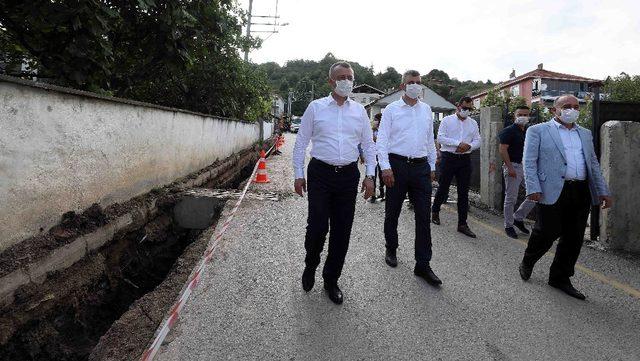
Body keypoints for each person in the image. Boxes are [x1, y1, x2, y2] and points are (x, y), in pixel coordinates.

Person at [292, 61, 376, 305]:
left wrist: (370, 176)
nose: (346, 81)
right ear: (331, 81)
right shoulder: (316, 108)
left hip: (348, 176)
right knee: (317, 226)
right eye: (341, 77)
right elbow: (300, 143)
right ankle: (311, 264)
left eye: (350, 77)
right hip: (320, 173)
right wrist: (299, 174)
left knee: (342, 230)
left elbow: (368, 146)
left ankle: (331, 280)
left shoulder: (359, 111)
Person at [519, 95, 612, 300]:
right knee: (546, 232)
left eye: (575, 107)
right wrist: (532, 187)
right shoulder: (538, 131)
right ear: (555, 110)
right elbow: (529, 161)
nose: (572, 110)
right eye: (566, 106)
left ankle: (560, 277)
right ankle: (528, 259)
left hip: (580, 191)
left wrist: (602, 190)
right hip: (551, 189)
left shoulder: (585, 134)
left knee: (574, 237)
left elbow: (593, 163)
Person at [377, 70, 441, 286]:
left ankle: (423, 263)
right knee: (392, 211)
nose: (415, 86)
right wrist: (385, 168)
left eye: (418, 83)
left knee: (424, 216)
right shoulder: (391, 110)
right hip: (397, 166)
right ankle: (391, 248)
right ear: (402, 85)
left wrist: (431, 165)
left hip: (421, 167)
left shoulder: (426, 110)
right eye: (411, 82)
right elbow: (382, 140)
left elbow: (429, 140)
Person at [431, 96, 481, 238]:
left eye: (470, 109)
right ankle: (435, 211)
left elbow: (478, 140)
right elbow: (440, 138)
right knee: (443, 187)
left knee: (463, 192)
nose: (467, 111)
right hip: (449, 158)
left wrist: (469, 146)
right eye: (465, 108)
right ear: (458, 106)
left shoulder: (472, 123)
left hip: (465, 159)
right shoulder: (447, 121)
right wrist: (458, 144)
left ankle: (462, 224)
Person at [499, 105, 536, 239]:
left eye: (526, 115)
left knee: (535, 195)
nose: (523, 117)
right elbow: (503, 150)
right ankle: (508, 225)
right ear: (514, 115)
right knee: (511, 198)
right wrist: (510, 168)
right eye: (520, 114)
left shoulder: (527, 131)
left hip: (526, 167)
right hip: (513, 166)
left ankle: (518, 218)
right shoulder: (508, 131)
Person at [370, 113, 385, 203]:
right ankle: (373, 195)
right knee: (372, 175)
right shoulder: (372, 130)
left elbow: (379, 141)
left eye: (375, 119)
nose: (374, 121)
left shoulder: (383, 130)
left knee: (381, 174)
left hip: (381, 155)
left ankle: (382, 193)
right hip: (373, 155)